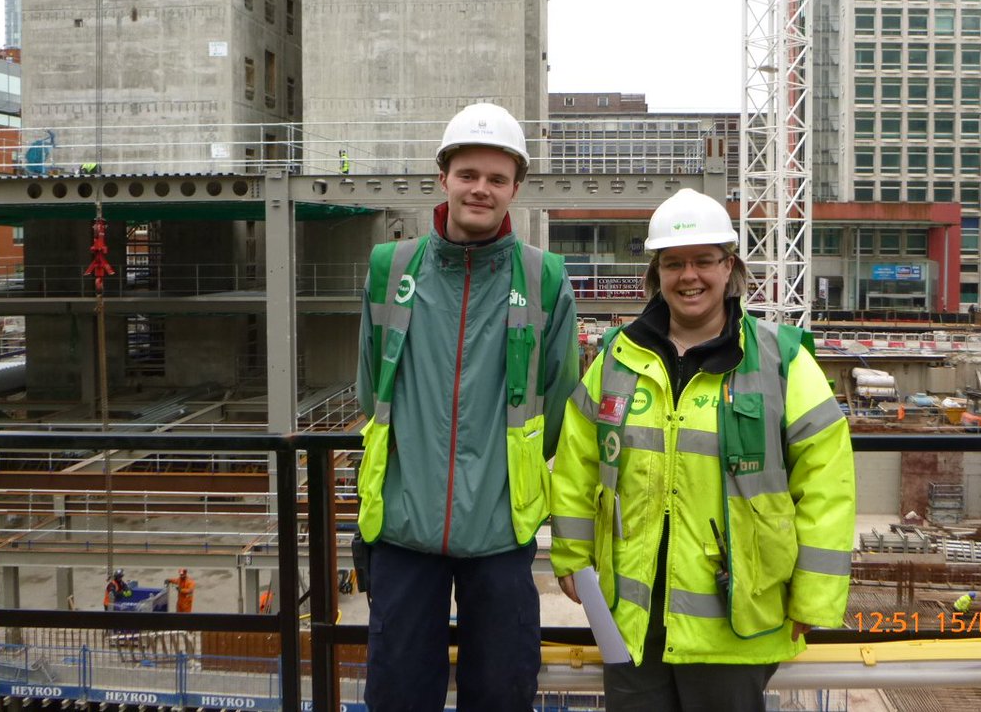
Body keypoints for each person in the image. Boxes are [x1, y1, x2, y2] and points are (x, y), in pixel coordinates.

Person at [550, 188, 855, 712]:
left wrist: (815, 594)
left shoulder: (780, 362)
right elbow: (578, 465)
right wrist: (572, 557)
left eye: (703, 261)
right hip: (635, 619)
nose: (689, 276)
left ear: (728, 266)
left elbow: (826, 484)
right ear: (657, 273)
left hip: (736, 620)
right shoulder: (617, 359)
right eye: (673, 263)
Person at [355, 102, 580, 712]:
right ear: (443, 177)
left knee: (502, 694)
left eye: (497, 178)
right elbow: (370, 387)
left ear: (515, 189)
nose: (481, 188)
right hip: (402, 529)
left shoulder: (544, 278)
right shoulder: (391, 268)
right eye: (468, 174)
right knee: (399, 697)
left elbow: (559, 401)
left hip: (502, 531)